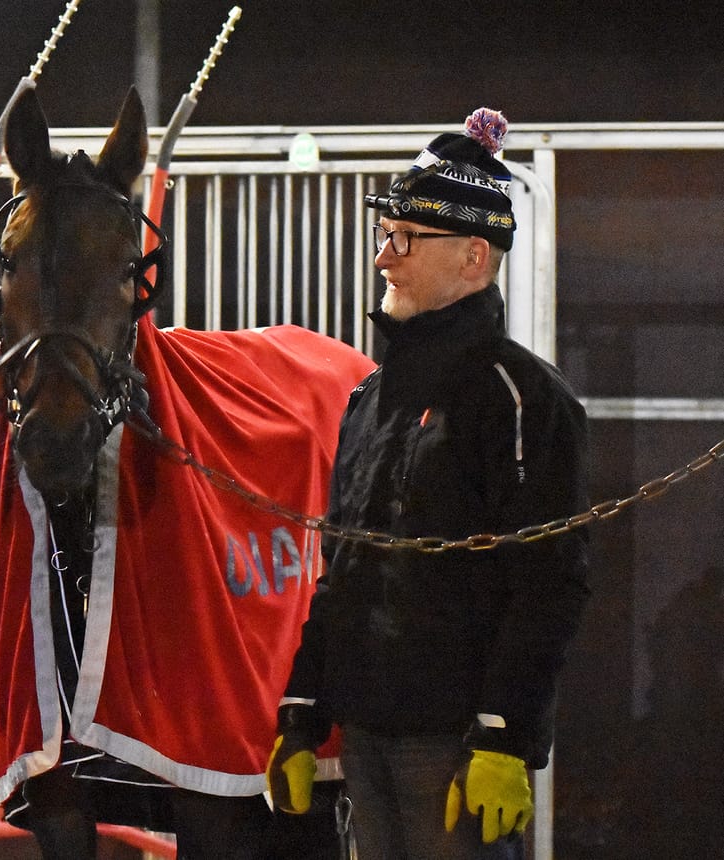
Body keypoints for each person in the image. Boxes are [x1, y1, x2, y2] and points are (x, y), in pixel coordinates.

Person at [266, 108, 591, 859]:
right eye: (385, 236)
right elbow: (341, 573)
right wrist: (303, 710)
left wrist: (503, 736)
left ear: (473, 258)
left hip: (455, 747)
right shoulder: (368, 399)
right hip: (367, 740)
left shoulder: (524, 400)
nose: (384, 257)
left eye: (406, 239)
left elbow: (550, 582)